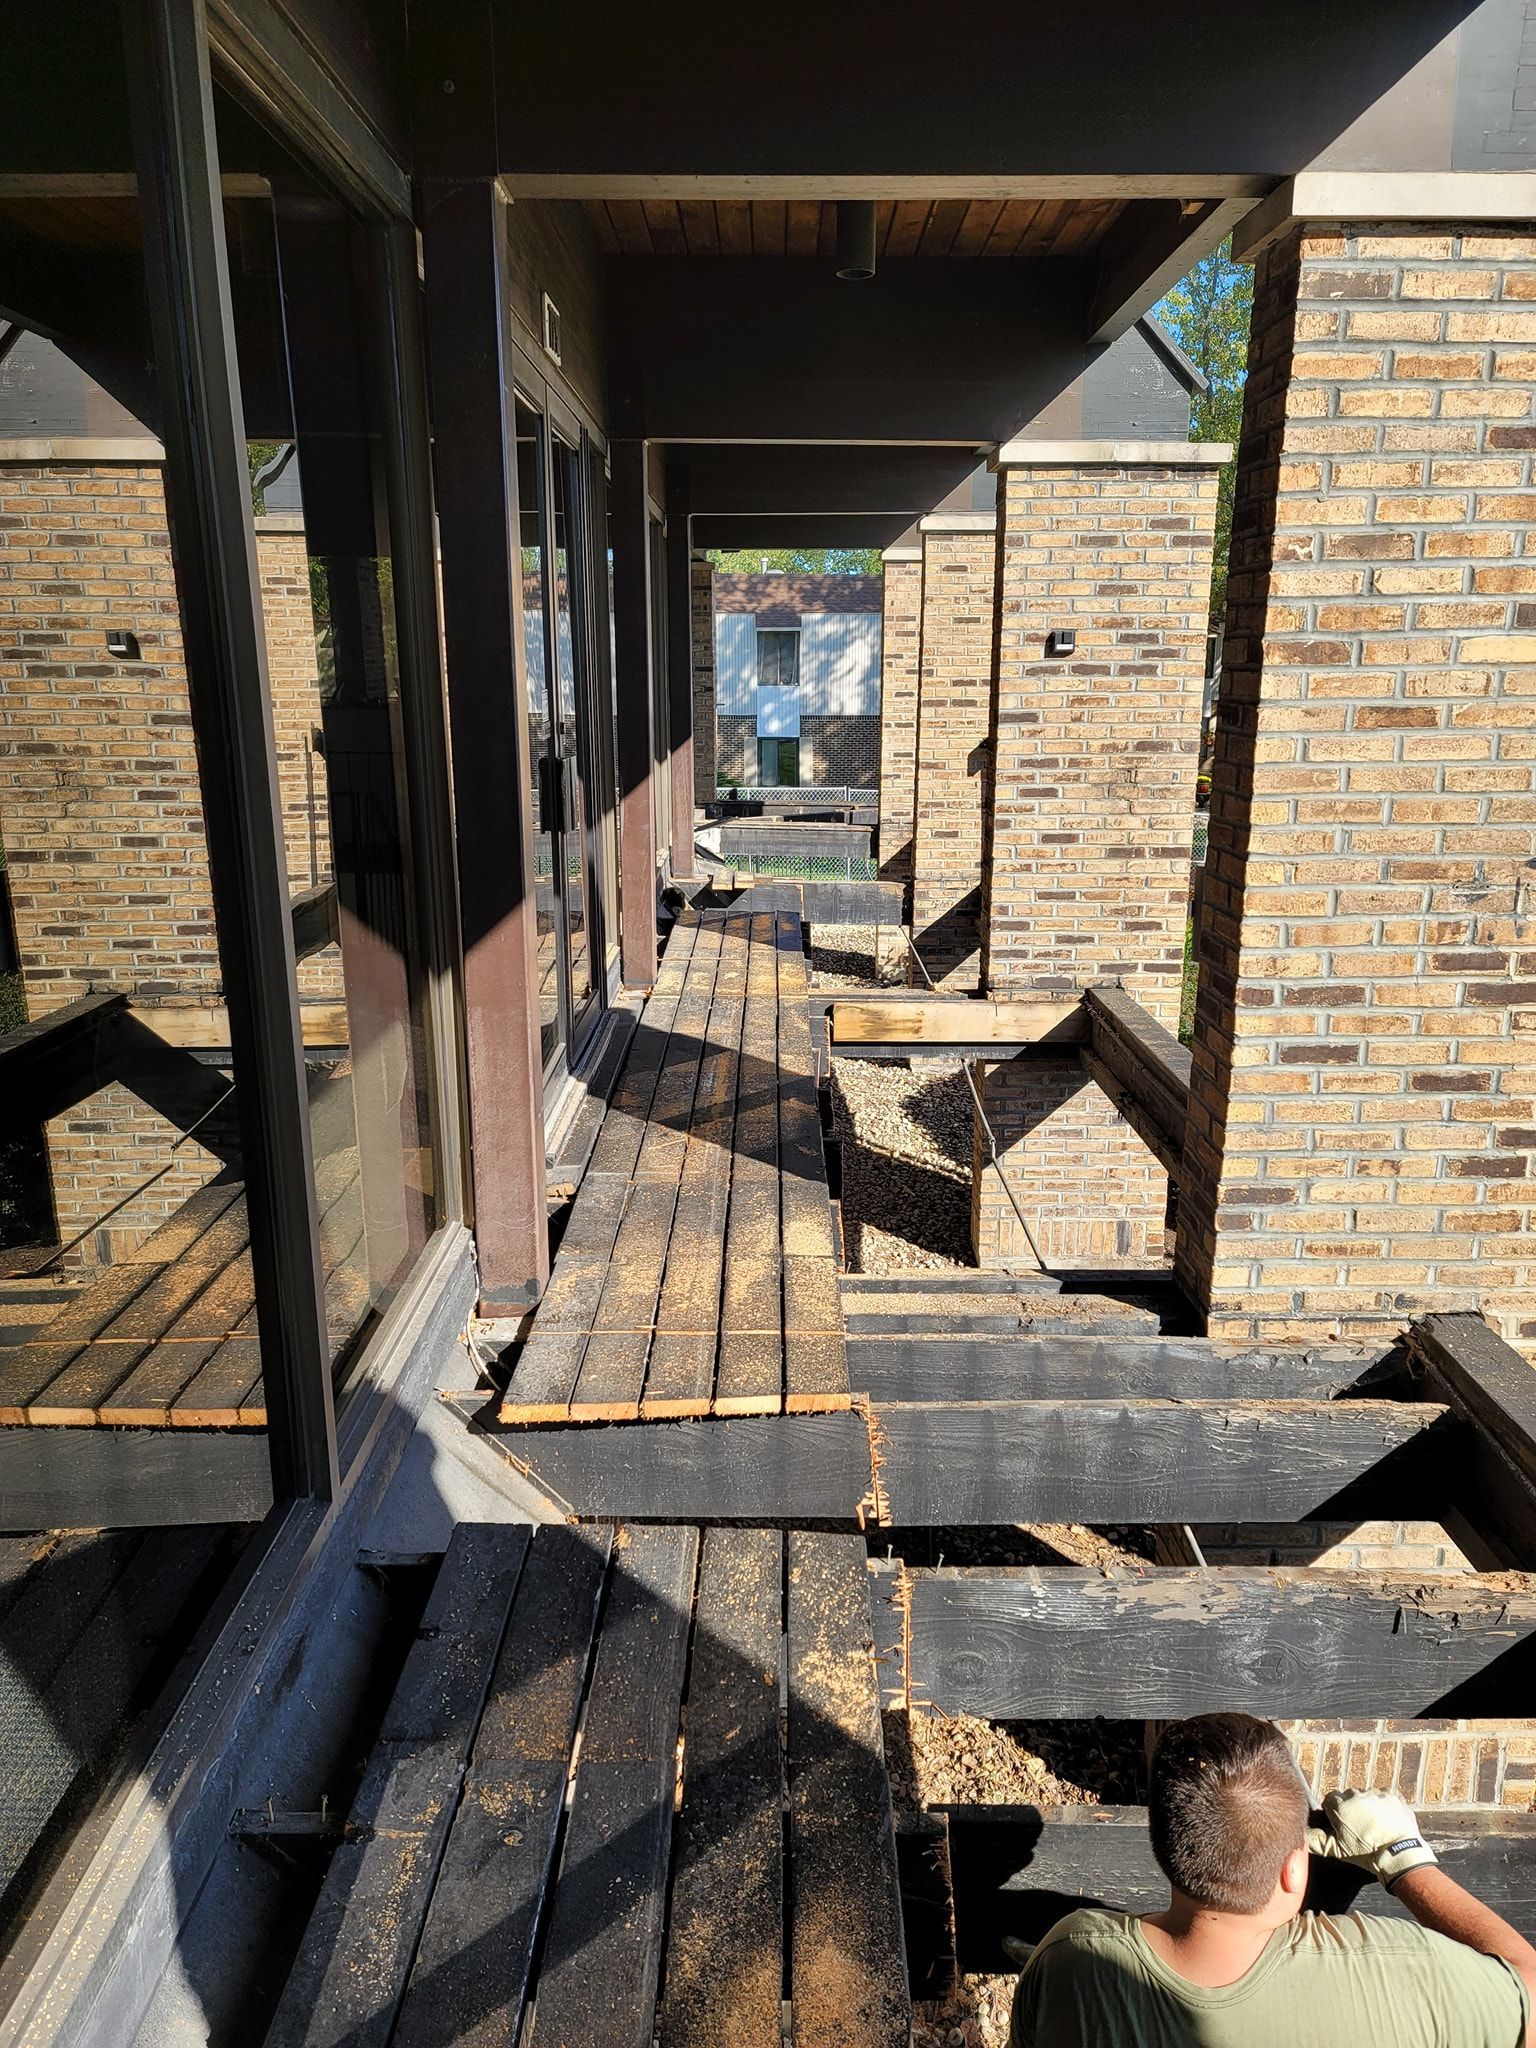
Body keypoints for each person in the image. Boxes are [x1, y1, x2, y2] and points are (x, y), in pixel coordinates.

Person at [1009, 1712, 1535, 2047]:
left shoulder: (1073, 1961)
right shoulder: (1398, 1966)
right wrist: (1406, 1859)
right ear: (1293, 1869)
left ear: (1164, 1847)